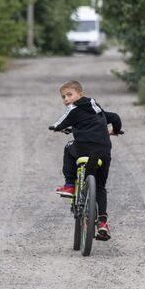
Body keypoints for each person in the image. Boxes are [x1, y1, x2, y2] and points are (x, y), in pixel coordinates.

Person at [49, 80, 122, 241]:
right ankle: (102, 222)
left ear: (80, 94)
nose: (67, 99)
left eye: (70, 94)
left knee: (69, 148)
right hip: (103, 152)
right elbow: (115, 117)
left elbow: (60, 123)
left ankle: (69, 185)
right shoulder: (97, 109)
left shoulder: (74, 109)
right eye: (63, 97)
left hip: (83, 149)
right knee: (101, 187)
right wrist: (115, 130)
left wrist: (56, 127)